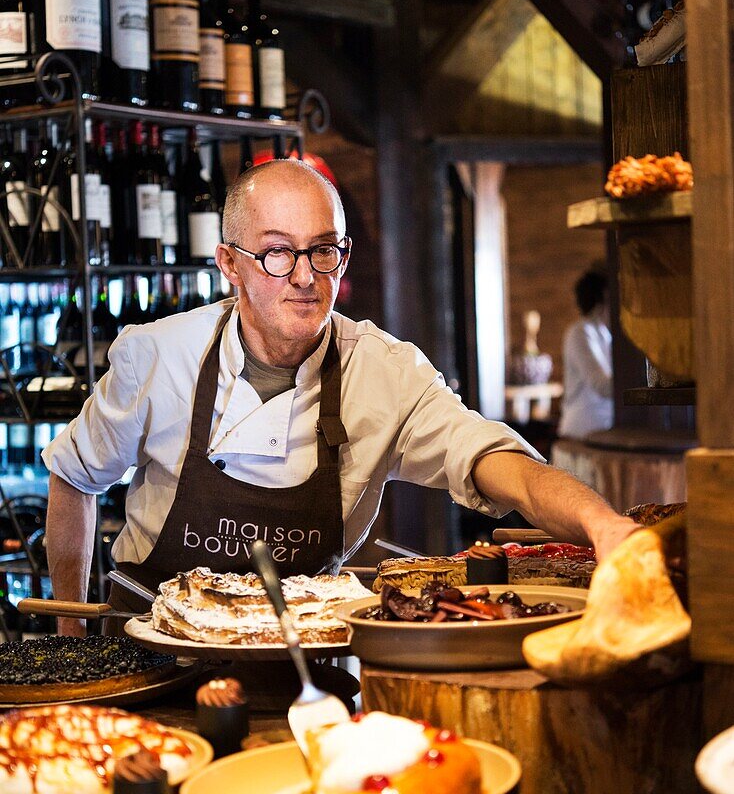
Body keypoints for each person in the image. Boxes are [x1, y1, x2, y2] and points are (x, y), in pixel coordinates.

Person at [44, 161, 636, 635]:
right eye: (278, 252)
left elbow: (493, 461)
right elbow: (74, 475)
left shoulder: (383, 372)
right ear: (230, 263)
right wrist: (71, 628)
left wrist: (600, 523)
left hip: (302, 662)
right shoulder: (158, 355)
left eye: (324, 249)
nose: (305, 276)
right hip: (151, 651)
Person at [557, 269, 614, 440]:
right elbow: (602, 386)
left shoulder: (604, 334)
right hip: (581, 431)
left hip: (600, 430)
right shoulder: (580, 332)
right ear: (601, 300)